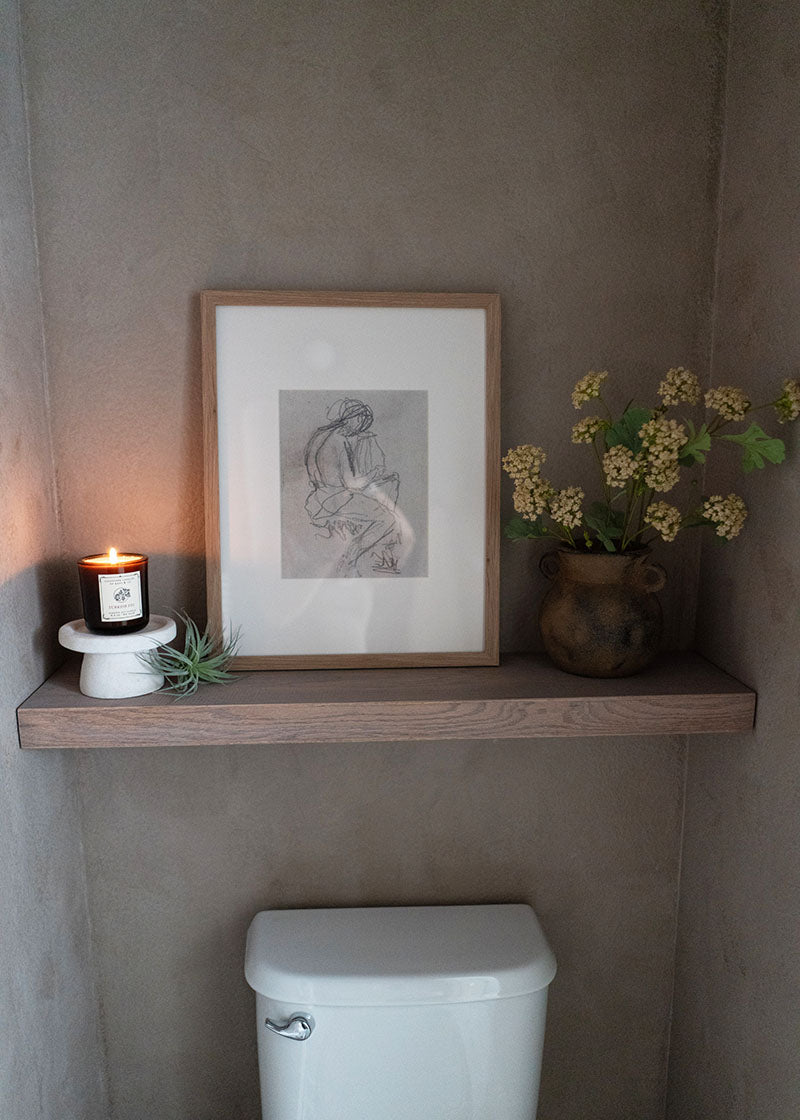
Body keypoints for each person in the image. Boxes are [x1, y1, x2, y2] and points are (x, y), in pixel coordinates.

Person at [303, 398, 401, 577]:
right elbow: (351, 483)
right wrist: (376, 475)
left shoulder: (322, 436)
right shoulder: (339, 440)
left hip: (321, 497)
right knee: (387, 519)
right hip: (336, 500)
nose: (361, 427)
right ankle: (349, 559)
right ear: (351, 418)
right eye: (360, 421)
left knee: (378, 502)